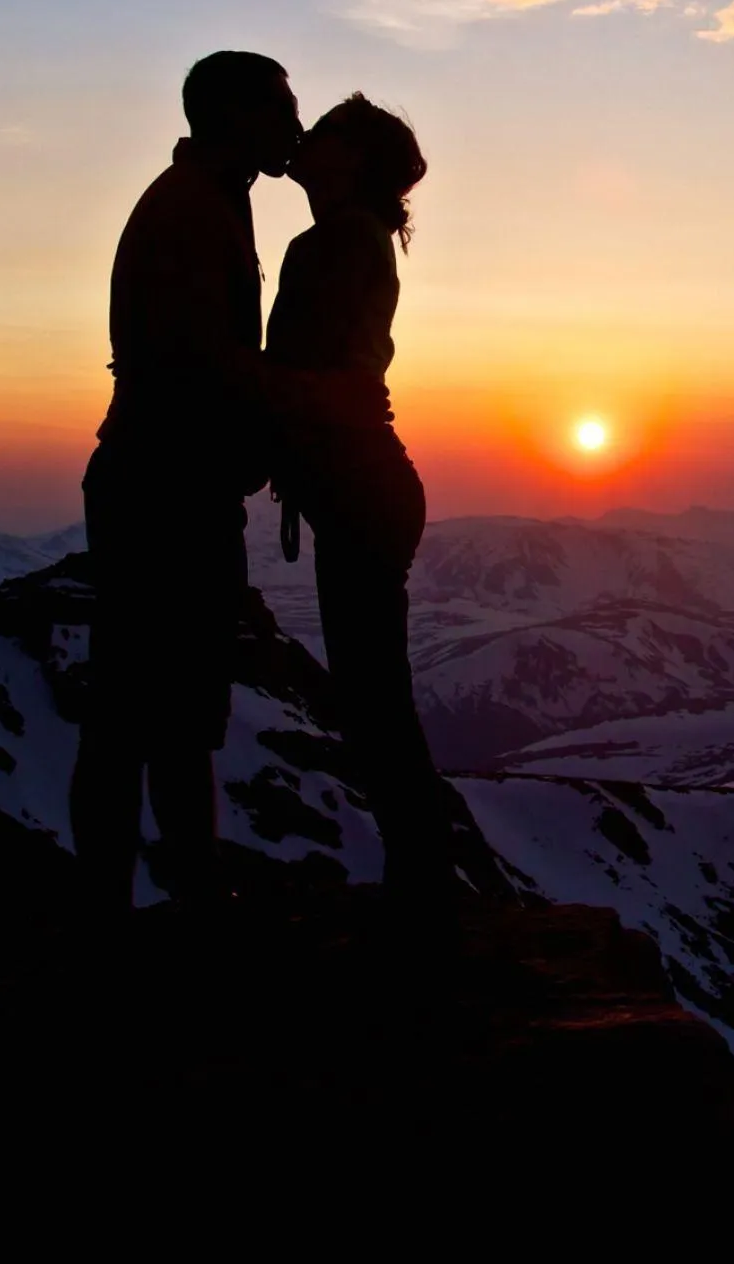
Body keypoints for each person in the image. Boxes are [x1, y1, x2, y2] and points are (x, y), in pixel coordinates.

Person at [70, 51, 302, 919]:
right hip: (166, 485)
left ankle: (147, 901)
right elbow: (202, 360)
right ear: (232, 114)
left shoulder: (206, 200)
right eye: (279, 107)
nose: (293, 124)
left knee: (150, 707)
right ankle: (162, 903)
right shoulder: (197, 210)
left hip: (160, 476)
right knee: (149, 709)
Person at [265, 94, 457, 908]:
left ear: (355, 161)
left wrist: (230, 380)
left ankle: (423, 890)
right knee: (375, 700)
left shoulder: (336, 242)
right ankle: (421, 885)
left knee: (374, 705)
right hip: (363, 488)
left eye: (329, 131)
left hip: (358, 487)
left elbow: (335, 379)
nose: (309, 136)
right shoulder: (350, 239)